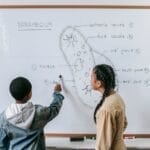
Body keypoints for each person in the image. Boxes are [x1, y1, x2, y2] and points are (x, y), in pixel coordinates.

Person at [0, 76, 64, 150]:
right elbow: (54, 109)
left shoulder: (3, 118)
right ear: (29, 95)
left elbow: (2, 144)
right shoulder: (39, 113)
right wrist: (57, 94)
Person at [91, 64, 128, 150]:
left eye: (91, 77)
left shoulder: (106, 109)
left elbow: (103, 146)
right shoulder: (116, 98)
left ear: (98, 83)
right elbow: (124, 124)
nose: (90, 80)